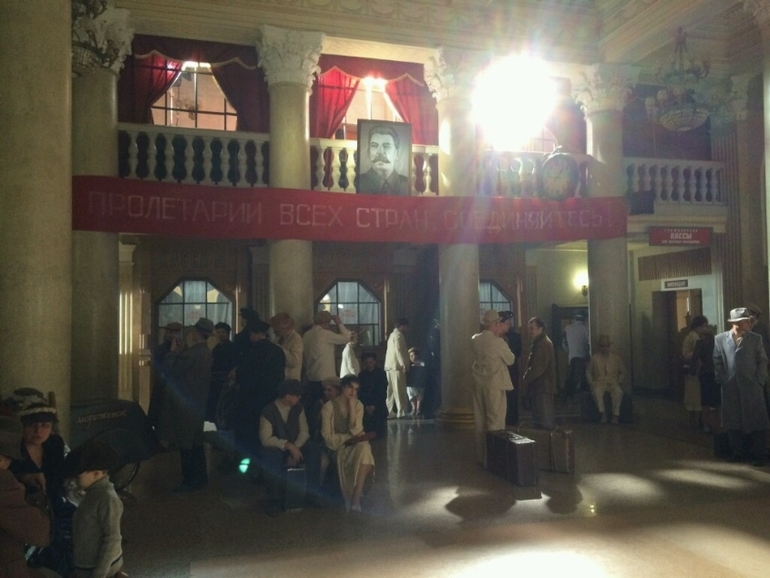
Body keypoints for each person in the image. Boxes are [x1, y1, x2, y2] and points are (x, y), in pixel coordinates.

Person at [7, 389, 74, 575]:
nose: (38, 431)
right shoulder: (13, 448)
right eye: (32, 425)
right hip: (25, 507)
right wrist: (25, 478)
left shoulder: (55, 444)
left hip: (53, 502)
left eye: (45, 425)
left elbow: (60, 478)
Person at [161, 317, 214, 492]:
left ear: (197, 333)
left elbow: (171, 370)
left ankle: (190, 481)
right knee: (196, 444)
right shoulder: (206, 352)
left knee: (186, 445)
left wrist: (173, 353)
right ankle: (201, 477)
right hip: (198, 403)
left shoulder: (191, 354)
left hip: (184, 405)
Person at [713, 307, 770, 466]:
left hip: (752, 386)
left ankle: (759, 454)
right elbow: (717, 360)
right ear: (736, 323)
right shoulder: (720, 339)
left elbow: (762, 360)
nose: (749, 323)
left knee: (757, 422)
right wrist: (723, 379)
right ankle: (738, 452)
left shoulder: (755, 339)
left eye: (749, 320)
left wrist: (759, 380)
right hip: (731, 387)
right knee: (733, 422)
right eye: (746, 321)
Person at [233, 318, 286, 479]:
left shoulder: (251, 352)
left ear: (254, 334)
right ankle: (268, 470)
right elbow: (281, 377)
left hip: (250, 401)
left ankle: (248, 469)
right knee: (269, 435)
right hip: (271, 400)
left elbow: (242, 376)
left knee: (250, 437)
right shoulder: (277, 351)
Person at [64, 441, 125, 578]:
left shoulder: (107, 498)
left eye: (77, 477)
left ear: (96, 473)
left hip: (102, 571)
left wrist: (99, 573)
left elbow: (113, 538)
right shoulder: (90, 494)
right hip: (85, 567)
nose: (74, 481)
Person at [0, 415, 51, 578]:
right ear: (3, 458)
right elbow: (40, 532)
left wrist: (22, 478)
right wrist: (38, 497)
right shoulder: (3, 483)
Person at [321, 375, 375, 512]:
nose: (353, 392)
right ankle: (356, 501)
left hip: (356, 446)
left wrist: (351, 409)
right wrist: (348, 438)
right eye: (350, 387)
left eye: (356, 389)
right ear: (343, 387)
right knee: (365, 453)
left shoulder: (358, 405)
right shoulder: (329, 407)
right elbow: (328, 438)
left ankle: (355, 498)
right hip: (338, 448)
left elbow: (356, 430)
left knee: (364, 448)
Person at [259, 380, 312, 517]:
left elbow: (304, 432)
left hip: (297, 444)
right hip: (278, 447)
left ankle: (311, 494)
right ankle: (274, 500)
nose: (299, 398)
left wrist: (295, 448)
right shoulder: (268, 411)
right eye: (297, 395)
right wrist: (287, 445)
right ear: (288, 396)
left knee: (314, 451)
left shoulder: (298, 408)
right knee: (271, 456)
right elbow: (266, 439)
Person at [471, 310, 516, 465]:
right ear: (496, 324)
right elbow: (511, 360)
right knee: (495, 421)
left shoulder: (475, 339)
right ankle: (494, 459)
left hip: (479, 383)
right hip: (495, 384)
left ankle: (481, 456)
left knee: (480, 420)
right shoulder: (498, 342)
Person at [302, 310, 352, 413]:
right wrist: (339, 323)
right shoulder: (325, 334)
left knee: (313, 408)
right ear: (327, 323)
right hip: (326, 378)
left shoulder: (306, 335)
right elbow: (347, 338)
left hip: (311, 376)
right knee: (327, 408)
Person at [522, 317, 557, 429]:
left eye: (532, 328)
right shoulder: (540, 342)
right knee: (540, 420)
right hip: (540, 386)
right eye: (529, 328)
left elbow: (538, 367)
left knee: (544, 421)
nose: (530, 331)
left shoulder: (543, 344)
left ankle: (548, 439)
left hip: (542, 387)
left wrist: (526, 377)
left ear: (540, 328)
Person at [357, 124, 410, 196]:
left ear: (397, 154)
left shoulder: (406, 185)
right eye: (374, 146)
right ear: (368, 152)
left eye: (386, 146)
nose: (380, 152)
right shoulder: (359, 183)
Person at [586, 335, 626, 425]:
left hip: (613, 383)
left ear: (609, 346)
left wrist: (619, 381)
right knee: (596, 392)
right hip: (599, 383)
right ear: (599, 347)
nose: (605, 348)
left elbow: (623, 371)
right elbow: (588, 372)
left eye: (607, 346)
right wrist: (591, 383)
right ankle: (603, 414)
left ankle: (615, 416)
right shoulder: (594, 358)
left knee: (618, 392)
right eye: (602, 346)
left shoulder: (616, 358)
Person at [149, 321, 183, 428]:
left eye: (175, 333)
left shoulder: (184, 348)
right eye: (170, 332)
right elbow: (159, 368)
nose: (172, 335)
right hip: (163, 385)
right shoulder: (160, 349)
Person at [691, 323, 719, 433]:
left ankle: (706, 425)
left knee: (705, 401)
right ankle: (718, 425)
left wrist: (692, 372)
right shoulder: (719, 342)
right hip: (718, 373)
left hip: (705, 374)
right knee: (718, 402)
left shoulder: (700, 343)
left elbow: (695, 358)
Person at [207, 321, 236, 423]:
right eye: (218, 332)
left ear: (228, 333)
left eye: (223, 332)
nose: (220, 334)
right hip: (215, 380)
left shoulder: (232, 347)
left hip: (226, 380)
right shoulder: (216, 348)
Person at [358, 353, 388, 438]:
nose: (369, 364)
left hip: (378, 404)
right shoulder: (361, 375)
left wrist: (374, 405)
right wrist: (366, 406)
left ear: (374, 362)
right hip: (366, 404)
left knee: (380, 434)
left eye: (371, 362)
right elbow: (361, 392)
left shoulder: (381, 373)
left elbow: (382, 390)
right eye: (367, 362)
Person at [385, 318, 410, 419]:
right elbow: (398, 350)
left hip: (389, 365)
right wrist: (403, 363)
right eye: (406, 326)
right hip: (397, 366)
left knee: (390, 390)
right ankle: (401, 411)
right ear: (402, 326)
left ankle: (389, 411)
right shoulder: (399, 335)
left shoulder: (392, 335)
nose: (407, 329)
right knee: (399, 389)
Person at [500, 311, 522, 425]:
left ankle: (512, 420)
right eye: (507, 323)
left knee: (512, 397)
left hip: (512, 370)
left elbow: (517, 353)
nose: (509, 325)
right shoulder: (495, 338)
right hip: (501, 373)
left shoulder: (514, 336)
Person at [562, 312, 590, 396]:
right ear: (584, 319)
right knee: (582, 379)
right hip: (583, 358)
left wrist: (570, 351)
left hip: (571, 357)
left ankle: (568, 396)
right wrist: (587, 354)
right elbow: (588, 344)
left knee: (571, 377)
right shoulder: (586, 329)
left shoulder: (567, 328)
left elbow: (564, 343)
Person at [271, 312, 303, 382]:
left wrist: (279, 348)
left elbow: (294, 362)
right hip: (280, 378)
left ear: (284, 328)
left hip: (290, 380)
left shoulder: (296, 339)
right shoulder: (278, 338)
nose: (274, 332)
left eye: (277, 330)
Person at [406, 347, 428, 417]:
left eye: (414, 355)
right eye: (411, 356)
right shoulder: (408, 365)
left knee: (419, 395)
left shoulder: (422, 363)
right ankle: (413, 408)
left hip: (419, 382)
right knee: (411, 394)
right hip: (410, 383)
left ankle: (418, 408)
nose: (413, 357)